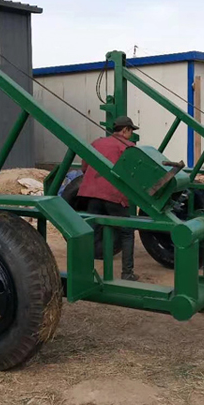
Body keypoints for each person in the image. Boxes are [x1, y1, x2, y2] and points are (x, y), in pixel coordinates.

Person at [78, 115, 139, 281]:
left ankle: (84, 272)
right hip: (114, 196)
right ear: (125, 130)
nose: (132, 135)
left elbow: (85, 166)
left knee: (92, 231)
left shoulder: (97, 143)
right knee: (127, 232)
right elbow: (133, 174)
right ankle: (127, 273)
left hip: (92, 193)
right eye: (131, 131)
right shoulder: (128, 147)